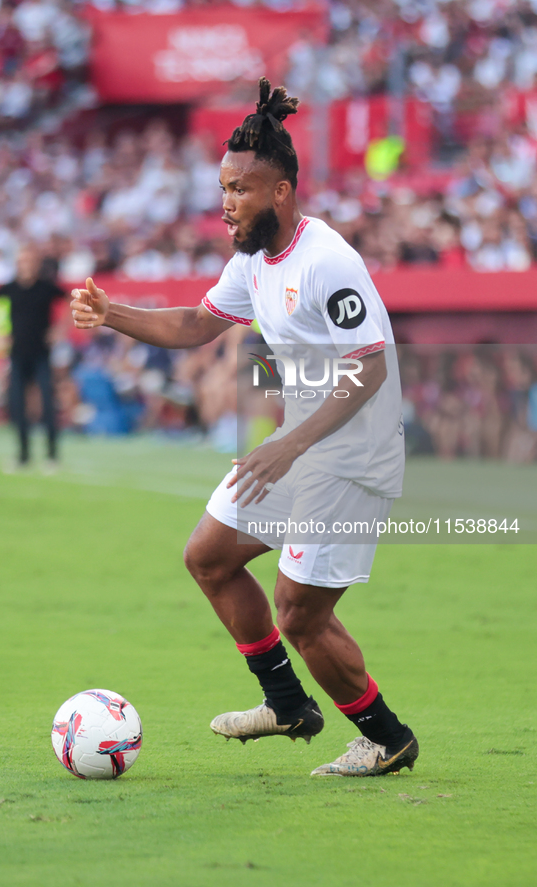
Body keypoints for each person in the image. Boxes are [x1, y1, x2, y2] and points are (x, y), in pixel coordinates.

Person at [70, 78, 418, 778]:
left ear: (281, 191)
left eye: (240, 189)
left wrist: (289, 442)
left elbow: (370, 368)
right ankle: (286, 703)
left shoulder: (328, 262)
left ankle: (386, 736)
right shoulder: (254, 259)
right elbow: (197, 323)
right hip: (301, 450)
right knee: (208, 554)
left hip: (350, 459)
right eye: (224, 188)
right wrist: (113, 313)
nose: (226, 203)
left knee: (298, 614)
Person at [0, 245, 65, 471]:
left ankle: (52, 455)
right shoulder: (9, 289)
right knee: (17, 404)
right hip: (17, 355)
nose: (26, 265)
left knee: (47, 401)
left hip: (42, 355)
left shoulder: (46, 288)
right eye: (22, 261)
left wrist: (60, 330)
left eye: (30, 261)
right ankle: (23, 455)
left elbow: (69, 304)